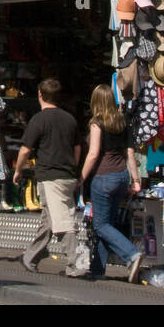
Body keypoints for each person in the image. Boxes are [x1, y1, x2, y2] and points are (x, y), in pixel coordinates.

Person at [16, 77, 83, 277]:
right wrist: (74, 167)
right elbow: (77, 148)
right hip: (67, 175)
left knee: (63, 222)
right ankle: (32, 256)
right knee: (50, 217)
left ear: (40, 95)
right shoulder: (70, 119)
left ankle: (76, 263)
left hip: (50, 176)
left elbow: (25, 150)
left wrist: (19, 170)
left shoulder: (39, 119)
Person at [79, 83, 144, 283]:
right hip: (121, 176)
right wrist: (135, 179)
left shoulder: (97, 122)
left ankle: (131, 254)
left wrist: (81, 177)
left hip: (103, 177)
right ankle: (97, 269)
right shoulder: (121, 121)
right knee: (106, 222)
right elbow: (130, 153)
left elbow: (93, 153)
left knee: (100, 225)